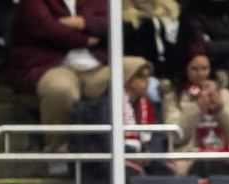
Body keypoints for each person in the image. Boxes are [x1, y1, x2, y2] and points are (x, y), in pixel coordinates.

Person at [9, 0, 115, 155]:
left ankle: (134, 147)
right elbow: (43, 27)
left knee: (136, 68)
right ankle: (56, 149)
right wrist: (85, 39)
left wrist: (84, 23)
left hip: (96, 66)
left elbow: (111, 23)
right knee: (60, 88)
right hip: (51, 65)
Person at [167, 48, 229, 176]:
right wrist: (197, 108)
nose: (200, 73)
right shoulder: (173, 96)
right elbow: (175, 137)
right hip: (189, 153)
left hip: (222, 150)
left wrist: (220, 110)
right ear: (185, 69)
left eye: (204, 68)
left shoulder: (224, 94)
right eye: (195, 69)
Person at [121, 0, 182, 82]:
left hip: (164, 69)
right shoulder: (126, 19)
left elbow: (167, 45)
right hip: (140, 72)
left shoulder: (162, 13)